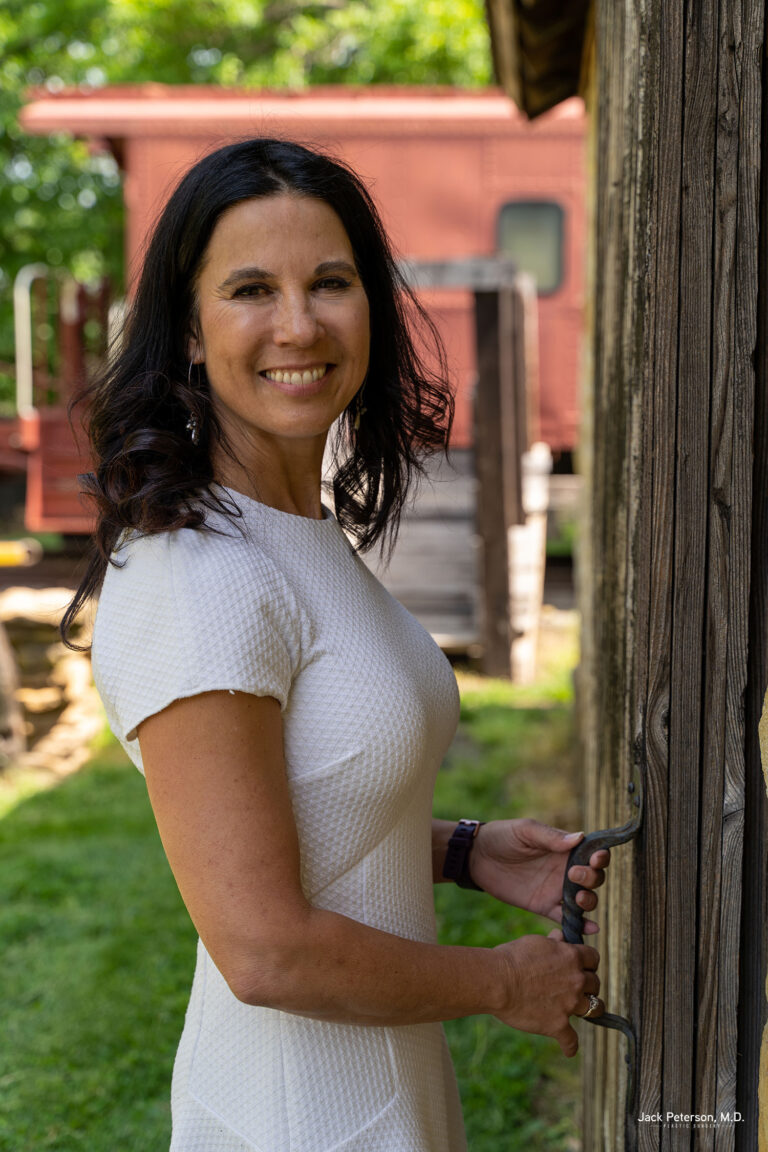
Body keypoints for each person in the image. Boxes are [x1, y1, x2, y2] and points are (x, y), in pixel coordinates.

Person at [63, 138, 609, 1152]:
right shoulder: (200, 577)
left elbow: (308, 790)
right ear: (187, 328)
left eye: (330, 282)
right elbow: (265, 948)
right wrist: (501, 981)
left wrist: (460, 849)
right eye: (250, 290)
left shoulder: (294, 535)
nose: (299, 325)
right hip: (294, 1116)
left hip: (380, 1098)